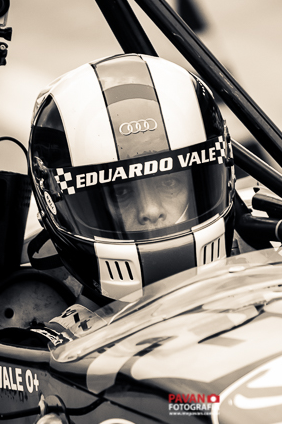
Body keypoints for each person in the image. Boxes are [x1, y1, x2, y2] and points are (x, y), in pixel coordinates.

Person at [24, 54, 237, 345]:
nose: (151, 210)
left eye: (170, 182)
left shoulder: (269, 265)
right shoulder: (47, 353)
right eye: (121, 193)